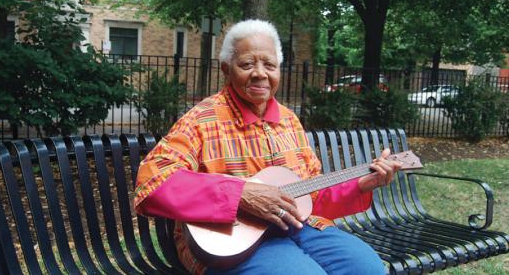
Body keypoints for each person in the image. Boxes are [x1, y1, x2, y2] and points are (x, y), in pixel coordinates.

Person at [134, 19, 401, 275]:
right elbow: (153, 182)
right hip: (227, 241)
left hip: (295, 225)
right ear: (227, 68)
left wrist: (360, 185)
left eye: (269, 65)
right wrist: (239, 195)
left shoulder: (288, 120)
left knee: (368, 268)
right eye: (247, 63)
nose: (260, 73)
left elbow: (311, 195)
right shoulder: (201, 119)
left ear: (279, 71)